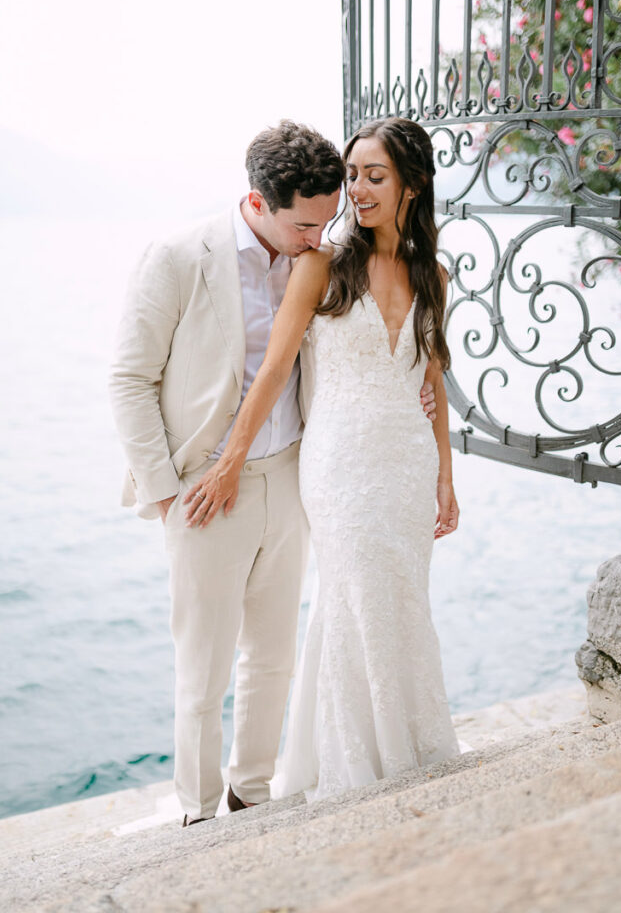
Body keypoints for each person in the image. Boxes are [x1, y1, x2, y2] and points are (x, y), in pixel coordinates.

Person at [109, 119, 437, 825]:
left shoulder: (320, 258)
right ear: (258, 203)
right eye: (304, 225)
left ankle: (250, 794)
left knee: (273, 658)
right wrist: (167, 495)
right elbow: (130, 380)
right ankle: (198, 811)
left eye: (327, 220)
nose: (318, 236)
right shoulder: (178, 257)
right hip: (205, 489)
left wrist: (411, 392)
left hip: (294, 477)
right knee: (203, 670)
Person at [184, 116, 461, 802]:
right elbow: (276, 368)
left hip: (407, 466)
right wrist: (229, 460)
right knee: (353, 597)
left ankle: (409, 745)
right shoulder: (322, 266)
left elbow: (432, 381)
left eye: (374, 176)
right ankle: (354, 767)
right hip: (340, 465)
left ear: (411, 185)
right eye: (353, 175)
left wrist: (447, 479)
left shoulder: (435, 275)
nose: (357, 190)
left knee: (402, 600)